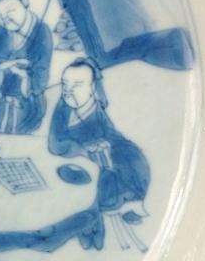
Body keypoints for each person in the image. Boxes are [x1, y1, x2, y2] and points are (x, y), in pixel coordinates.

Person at [48, 58, 149, 213]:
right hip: (72, 160)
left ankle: (132, 202)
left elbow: (109, 132)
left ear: (92, 88)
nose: (68, 90)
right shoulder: (63, 108)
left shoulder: (96, 108)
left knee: (131, 157)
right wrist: (83, 151)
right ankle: (112, 204)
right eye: (65, 84)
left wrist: (109, 144)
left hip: (97, 154)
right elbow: (55, 143)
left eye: (76, 85)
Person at [0, 0, 53, 134]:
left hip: (27, 109)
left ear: (23, 2)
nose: (5, 19)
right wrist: (2, 68)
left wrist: (23, 76)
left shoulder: (41, 32)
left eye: (10, 10)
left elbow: (40, 81)